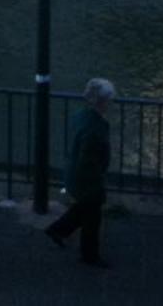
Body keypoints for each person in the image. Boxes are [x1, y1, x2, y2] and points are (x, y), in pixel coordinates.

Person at [45, 77, 115, 267]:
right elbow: (91, 159)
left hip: (73, 173)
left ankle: (57, 230)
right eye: (110, 99)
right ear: (103, 101)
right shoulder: (96, 128)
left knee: (85, 208)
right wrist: (98, 176)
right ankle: (89, 255)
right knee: (92, 216)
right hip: (88, 179)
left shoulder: (80, 117)